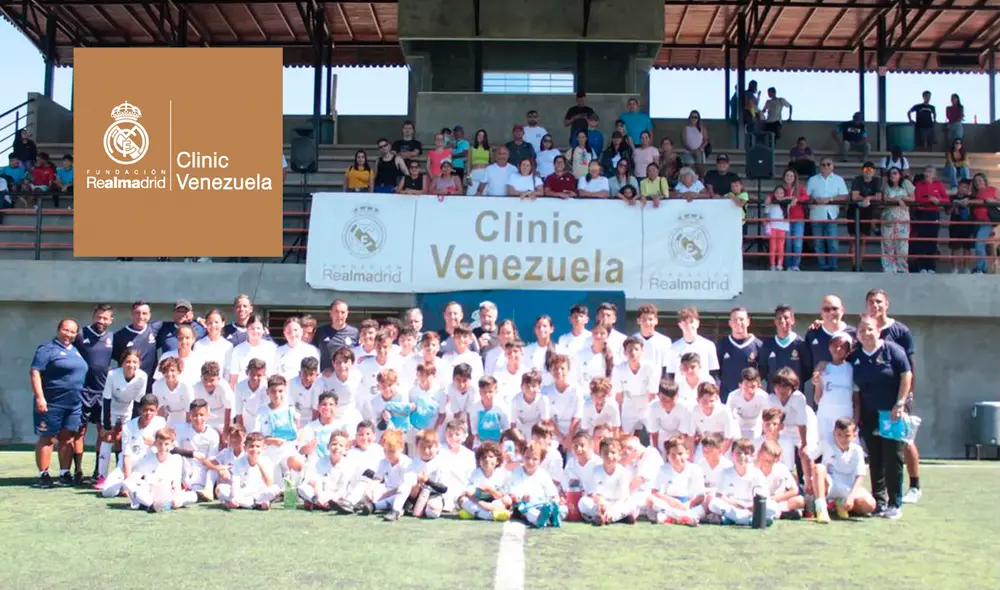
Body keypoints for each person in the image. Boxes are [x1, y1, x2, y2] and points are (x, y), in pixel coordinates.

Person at [851, 315, 912, 520]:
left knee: (892, 458)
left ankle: (895, 503)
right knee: (875, 459)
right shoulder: (856, 356)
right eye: (862, 330)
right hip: (869, 415)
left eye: (870, 329)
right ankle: (880, 502)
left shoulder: (893, 350)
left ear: (878, 331)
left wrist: (900, 403)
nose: (866, 334)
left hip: (891, 413)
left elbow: (906, 375)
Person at [864, 288, 920, 503]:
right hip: (875, 400)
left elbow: (909, 367)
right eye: (871, 302)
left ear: (887, 304)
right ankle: (880, 494)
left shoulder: (900, 331)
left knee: (904, 441)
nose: (875, 306)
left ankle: (914, 485)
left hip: (898, 398)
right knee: (879, 446)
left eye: (879, 302)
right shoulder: (864, 329)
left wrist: (905, 398)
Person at [30, 318, 89, 488]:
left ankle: (64, 473)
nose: (68, 334)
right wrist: (40, 397)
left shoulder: (76, 350)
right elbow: (35, 373)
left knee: (68, 438)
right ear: (58, 330)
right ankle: (44, 474)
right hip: (52, 403)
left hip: (73, 405)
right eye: (66, 330)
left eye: (72, 332)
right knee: (47, 438)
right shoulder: (47, 349)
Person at [74, 304, 115, 483]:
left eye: (105, 318)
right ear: (93, 317)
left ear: (111, 320)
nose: (101, 321)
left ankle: (98, 471)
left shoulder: (113, 338)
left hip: (103, 392)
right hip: (83, 392)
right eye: (99, 317)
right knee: (79, 432)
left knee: (102, 432)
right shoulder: (81, 334)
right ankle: (77, 471)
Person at [97, 349, 149, 483]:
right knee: (108, 437)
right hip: (111, 408)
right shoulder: (113, 374)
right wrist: (107, 425)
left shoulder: (142, 376)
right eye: (128, 361)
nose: (131, 365)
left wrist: (136, 424)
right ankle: (101, 476)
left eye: (135, 362)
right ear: (122, 363)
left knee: (126, 440)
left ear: (139, 363)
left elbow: (139, 402)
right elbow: (107, 399)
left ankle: (122, 473)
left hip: (128, 410)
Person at [811, 418, 877, 522]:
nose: (842, 439)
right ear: (834, 434)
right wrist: (809, 477)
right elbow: (810, 457)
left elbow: (860, 475)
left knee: (870, 506)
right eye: (839, 435)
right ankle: (821, 508)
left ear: (854, 436)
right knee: (819, 468)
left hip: (848, 487)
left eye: (847, 435)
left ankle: (839, 504)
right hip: (830, 485)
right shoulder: (826, 444)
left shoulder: (857, 450)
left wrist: (851, 497)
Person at [707, 438, 775, 526]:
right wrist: (737, 504)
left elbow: (763, 497)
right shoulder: (725, 472)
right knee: (713, 503)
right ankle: (747, 520)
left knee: (772, 507)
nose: (742, 456)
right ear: (732, 454)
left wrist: (750, 507)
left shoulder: (757, 473)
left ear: (752, 456)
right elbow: (719, 496)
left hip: (752, 508)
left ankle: (731, 519)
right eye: (738, 453)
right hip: (732, 506)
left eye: (746, 453)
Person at [646, 436, 706, 526]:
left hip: (689, 506)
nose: (677, 458)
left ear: (687, 453)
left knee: (708, 501)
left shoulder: (696, 469)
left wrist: (688, 504)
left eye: (680, 454)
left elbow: (701, 495)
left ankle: (675, 518)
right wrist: (671, 501)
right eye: (673, 455)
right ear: (667, 456)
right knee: (649, 499)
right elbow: (655, 492)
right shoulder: (663, 469)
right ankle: (681, 518)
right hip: (669, 506)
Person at [811, 332, 855, 452]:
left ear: (848, 351)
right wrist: (817, 381)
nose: (838, 349)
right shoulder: (823, 368)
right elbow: (817, 398)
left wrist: (856, 418)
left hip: (845, 414)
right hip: (825, 414)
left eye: (843, 347)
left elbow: (856, 397)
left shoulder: (851, 369)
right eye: (835, 345)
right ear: (829, 347)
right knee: (826, 449)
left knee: (845, 449)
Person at [505, 440, 563, 528]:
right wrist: (520, 497)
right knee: (528, 511)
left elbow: (552, 493)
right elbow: (511, 493)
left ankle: (553, 517)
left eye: (535, 459)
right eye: (527, 458)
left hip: (541, 503)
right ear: (522, 457)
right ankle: (542, 519)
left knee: (560, 508)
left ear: (540, 460)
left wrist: (554, 499)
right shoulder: (516, 472)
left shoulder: (543, 474)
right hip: (523, 505)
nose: (530, 462)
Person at [579, 438, 638, 525]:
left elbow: (623, 497)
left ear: (619, 455)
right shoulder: (596, 470)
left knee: (631, 503)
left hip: (618, 504)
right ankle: (613, 517)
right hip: (601, 504)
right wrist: (601, 503)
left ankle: (609, 518)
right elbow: (593, 493)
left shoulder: (623, 472)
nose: (609, 456)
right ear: (600, 455)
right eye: (605, 453)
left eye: (613, 453)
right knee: (583, 502)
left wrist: (612, 510)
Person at [297, 429, 356, 513]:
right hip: (319, 493)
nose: (337, 447)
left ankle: (321, 504)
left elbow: (342, 489)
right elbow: (311, 481)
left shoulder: (347, 465)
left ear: (346, 450)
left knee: (348, 495)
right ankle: (317, 502)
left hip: (336, 496)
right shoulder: (319, 461)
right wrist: (319, 495)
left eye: (341, 445)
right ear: (328, 446)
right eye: (334, 444)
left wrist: (332, 499)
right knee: (302, 488)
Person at [806, 157, 849, 271]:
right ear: (819, 167)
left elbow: (844, 196)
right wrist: (815, 199)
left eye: (828, 164)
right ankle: (822, 265)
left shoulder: (839, 179)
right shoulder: (812, 180)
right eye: (823, 164)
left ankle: (833, 265)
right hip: (816, 214)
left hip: (832, 214)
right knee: (818, 242)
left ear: (832, 166)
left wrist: (830, 199)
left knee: (833, 242)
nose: (825, 166)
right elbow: (806, 196)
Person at [219, 432, 281, 510]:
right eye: (251, 446)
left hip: (260, 494)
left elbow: (269, 484)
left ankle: (247, 504)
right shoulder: (238, 462)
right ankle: (256, 504)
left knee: (276, 489)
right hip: (243, 493)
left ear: (263, 448)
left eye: (258, 446)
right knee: (220, 488)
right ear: (245, 448)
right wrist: (234, 498)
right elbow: (235, 482)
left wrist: (259, 464)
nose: (254, 449)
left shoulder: (267, 461)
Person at [716, 307, 763, 399]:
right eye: (735, 320)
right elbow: (717, 372)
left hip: (752, 397)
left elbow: (763, 372)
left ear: (748, 321)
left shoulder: (758, 345)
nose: (738, 322)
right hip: (727, 396)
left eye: (741, 319)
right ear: (730, 323)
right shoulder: (722, 345)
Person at [758, 304, 810, 388]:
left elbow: (808, 370)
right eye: (779, 318)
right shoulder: (767, 345)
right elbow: (763, 370)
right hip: (773, 395)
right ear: (775, 321)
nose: (782, 321)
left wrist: (794, 383)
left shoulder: (801, 344)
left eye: (786, 317)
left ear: (792, 320)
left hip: (795, 395)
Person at [458, 441, 511, 521]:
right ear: (479, 461)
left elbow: (502, 496)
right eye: (484, 457)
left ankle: (475, 513)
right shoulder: (476, 473)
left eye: (491, 456)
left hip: (494, 501)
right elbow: (470, 493)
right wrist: (481, 503)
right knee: (462, 500)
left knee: (507, 500)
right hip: (478, 500)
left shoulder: (502, 474)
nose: (487, 459)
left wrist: (491, 490)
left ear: (498, 461)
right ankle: (490, 515)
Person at [912, 166, 950, 274]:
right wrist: (928, 199)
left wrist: (938, 200)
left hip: (934, 214)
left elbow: (946, 199)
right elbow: (917, 198)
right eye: (926, 171)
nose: (927, 173)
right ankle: (922, 267)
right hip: (922, 214)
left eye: (930, 171)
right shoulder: (919, 185)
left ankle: (931, 267)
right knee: (922, 241)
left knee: (932, 241)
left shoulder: (939, 185)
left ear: (934, 175)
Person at [666, 307, 719, 383]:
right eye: (684, 322)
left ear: (697, 323)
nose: (688, 325)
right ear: (680, 325)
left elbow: (714, 372)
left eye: (691, 322)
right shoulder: (673, 348)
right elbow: (671, 374)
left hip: (703, 391)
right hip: (681, 392)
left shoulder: (709, 345)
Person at [880, 167, 914, 274]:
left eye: (895, 173)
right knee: (887, 244)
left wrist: (902, 198)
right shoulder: (886, 186)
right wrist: (897, 199)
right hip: (888, 219)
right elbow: (884, 198)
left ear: (900, 174)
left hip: (902, 219)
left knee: (902, 245)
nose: (892, 175)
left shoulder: (906, 184)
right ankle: (889, 269)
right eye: (890, 174)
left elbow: (913, 198)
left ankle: (902, 268)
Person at [848, 162, 882, 267]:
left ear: (874, 172)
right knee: (853, 239)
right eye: (865, 170)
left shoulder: (877, 181)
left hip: (868, 211)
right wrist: (865, 199)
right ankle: (853, 264)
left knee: (863, 239)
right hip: (854, 210)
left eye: (870, 170)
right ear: (862, 171)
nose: (868, 172)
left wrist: (868, 198)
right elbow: (854, 196)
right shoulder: (857, 179)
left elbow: (878, 196)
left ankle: (860, 264)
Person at [725, 368, 768, 441]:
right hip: (738, 427)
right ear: (740, 385)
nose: (749, 390)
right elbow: (728, 417)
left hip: (756, 427)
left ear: (759, 386)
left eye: (753, 386)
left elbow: (767, 418)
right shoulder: (733, 396)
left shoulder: (763, 397)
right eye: (746, 385)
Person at [970, 173, 998, 275]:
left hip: (987, 222)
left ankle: (981, 269)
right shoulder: (975, 194)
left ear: (985, 181)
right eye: (976, 181)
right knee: (980, 246)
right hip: (977, 222)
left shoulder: (993, 190)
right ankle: (981, 269)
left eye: (980, 180)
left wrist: (993, 201)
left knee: (979, 244)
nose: (978, 183)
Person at [950, 178, 975, 273]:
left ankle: (966, 268)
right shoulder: (952, 197)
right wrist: (954, 205)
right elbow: (947, 212)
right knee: (955, 248)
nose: (964, 189)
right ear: (959, 186)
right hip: (955, 225)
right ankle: (955, 269)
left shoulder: (971, 198)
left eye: (967, 188)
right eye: (963, 186)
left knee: (967, 248)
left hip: (968, 225)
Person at [765, 186, 790, 270]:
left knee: (780, 246)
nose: (779, 194)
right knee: (772, 246)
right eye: (777, 193)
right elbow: (766, 214)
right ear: (774, 194)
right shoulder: (770, 203)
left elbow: (794, 198)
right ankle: (772, 264)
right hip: (772, 226)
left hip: (782, 227)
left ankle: (780, 264)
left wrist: (784, 198)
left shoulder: (787, 203)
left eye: (781, 193)